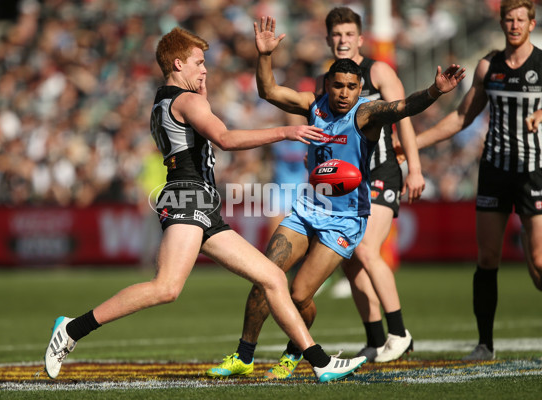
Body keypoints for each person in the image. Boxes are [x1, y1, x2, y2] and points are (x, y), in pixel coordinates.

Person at [43, 26, 369, 383]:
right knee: (166, 287)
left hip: (198, 202)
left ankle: (320, 362)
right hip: (189, 199)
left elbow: (195, 133)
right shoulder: (188, 101)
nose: (205, 69)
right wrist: (285, 131)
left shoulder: (166, 98)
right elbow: (225, 139)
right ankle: (73, 329)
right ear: (178, 63)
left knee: (273, 277)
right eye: (199, 63)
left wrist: (203, 93)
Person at [206, 16, 464, 379]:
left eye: (351, 87)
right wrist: (264, 56)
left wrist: (435, 91)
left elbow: (404, 107)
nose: (344, 93)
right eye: (338, 85)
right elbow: (268, 91)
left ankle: (293, 354)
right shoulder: (313, 104)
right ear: (327, 84)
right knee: (266, 276)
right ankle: (244, 354)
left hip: (344, 220)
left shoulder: (366, 114)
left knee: (298, 296)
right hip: (307, 209)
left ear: (361, 89)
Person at [407, 0, 542, 360]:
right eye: (508, 19)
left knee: (539, 262)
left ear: (532, 23)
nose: (514, 25)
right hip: (495, 171)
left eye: (520, 20)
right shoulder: (488, 65)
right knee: (487, 258)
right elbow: (462, 117)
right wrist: (413, 144)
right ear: (501, 23)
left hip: (534, 172)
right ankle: (484, 344)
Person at [317, 6, 425, 363]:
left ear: (360, 39)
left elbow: (404, 116)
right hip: (348, 181)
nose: (343, 40)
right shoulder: (329, 78)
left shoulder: (378, 71)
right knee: (350, 260)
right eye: (337, 34)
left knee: (365, 250)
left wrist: (415, 167)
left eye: (349, 34)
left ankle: (400, 333)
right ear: (329, 38)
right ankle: (376, 339)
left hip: (382, 172)